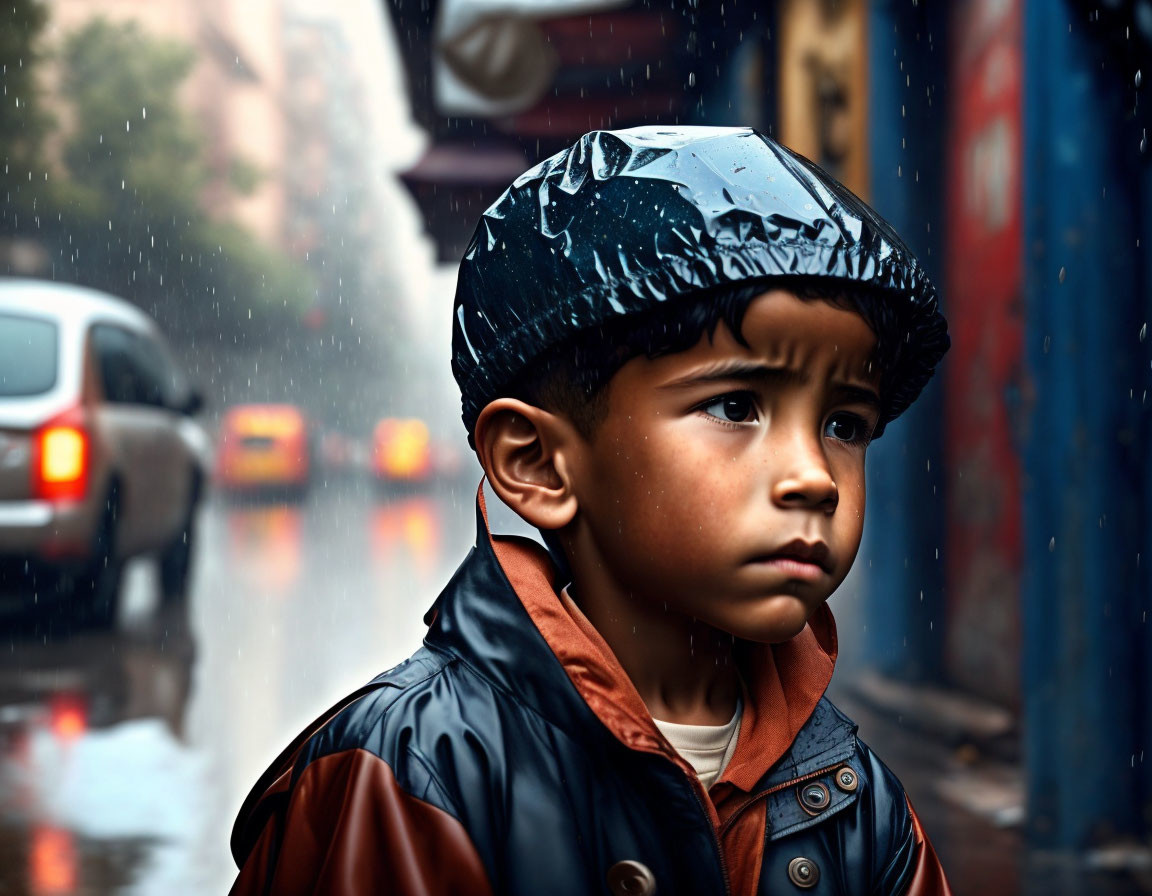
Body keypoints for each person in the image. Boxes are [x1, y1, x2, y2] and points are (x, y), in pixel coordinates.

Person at [230, 126, 952, 896]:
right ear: (537, 463)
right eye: (736, 406)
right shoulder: (412, 774)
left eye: (846, 425)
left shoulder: (853, 800)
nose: (815, 476)